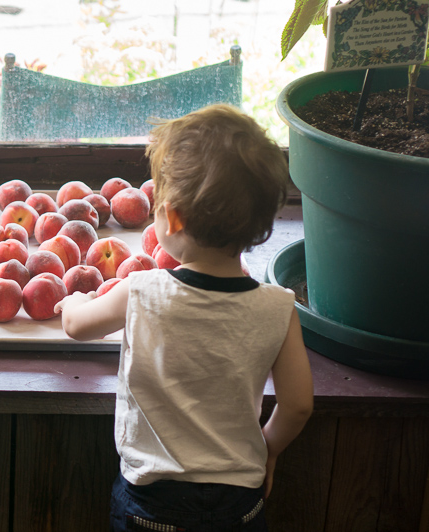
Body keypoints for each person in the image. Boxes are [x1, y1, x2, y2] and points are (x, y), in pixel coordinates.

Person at [54, 104, 314, 531]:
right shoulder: (278, 307)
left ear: (170, 216)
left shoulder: (141, 291)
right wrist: (267, 450)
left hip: (151, 506)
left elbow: (77, 327)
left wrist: (76, 300)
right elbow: (299, 405)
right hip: (240, 506)